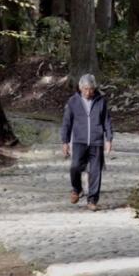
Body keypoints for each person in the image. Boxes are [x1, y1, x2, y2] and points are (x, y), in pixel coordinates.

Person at [61, 73, 113, 210]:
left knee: (95, 171)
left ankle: (92, 200)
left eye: (91, 89)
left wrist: (109, 139)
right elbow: (66, 123)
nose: (88, 92)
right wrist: (65, 141)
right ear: (80, 88)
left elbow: (106, 120)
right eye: (85, 89)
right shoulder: (73, 101)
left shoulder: (101, 101)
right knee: (75, 167)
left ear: (94, 88)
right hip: (79, 141)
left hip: (96, 141)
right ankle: (77, 189)